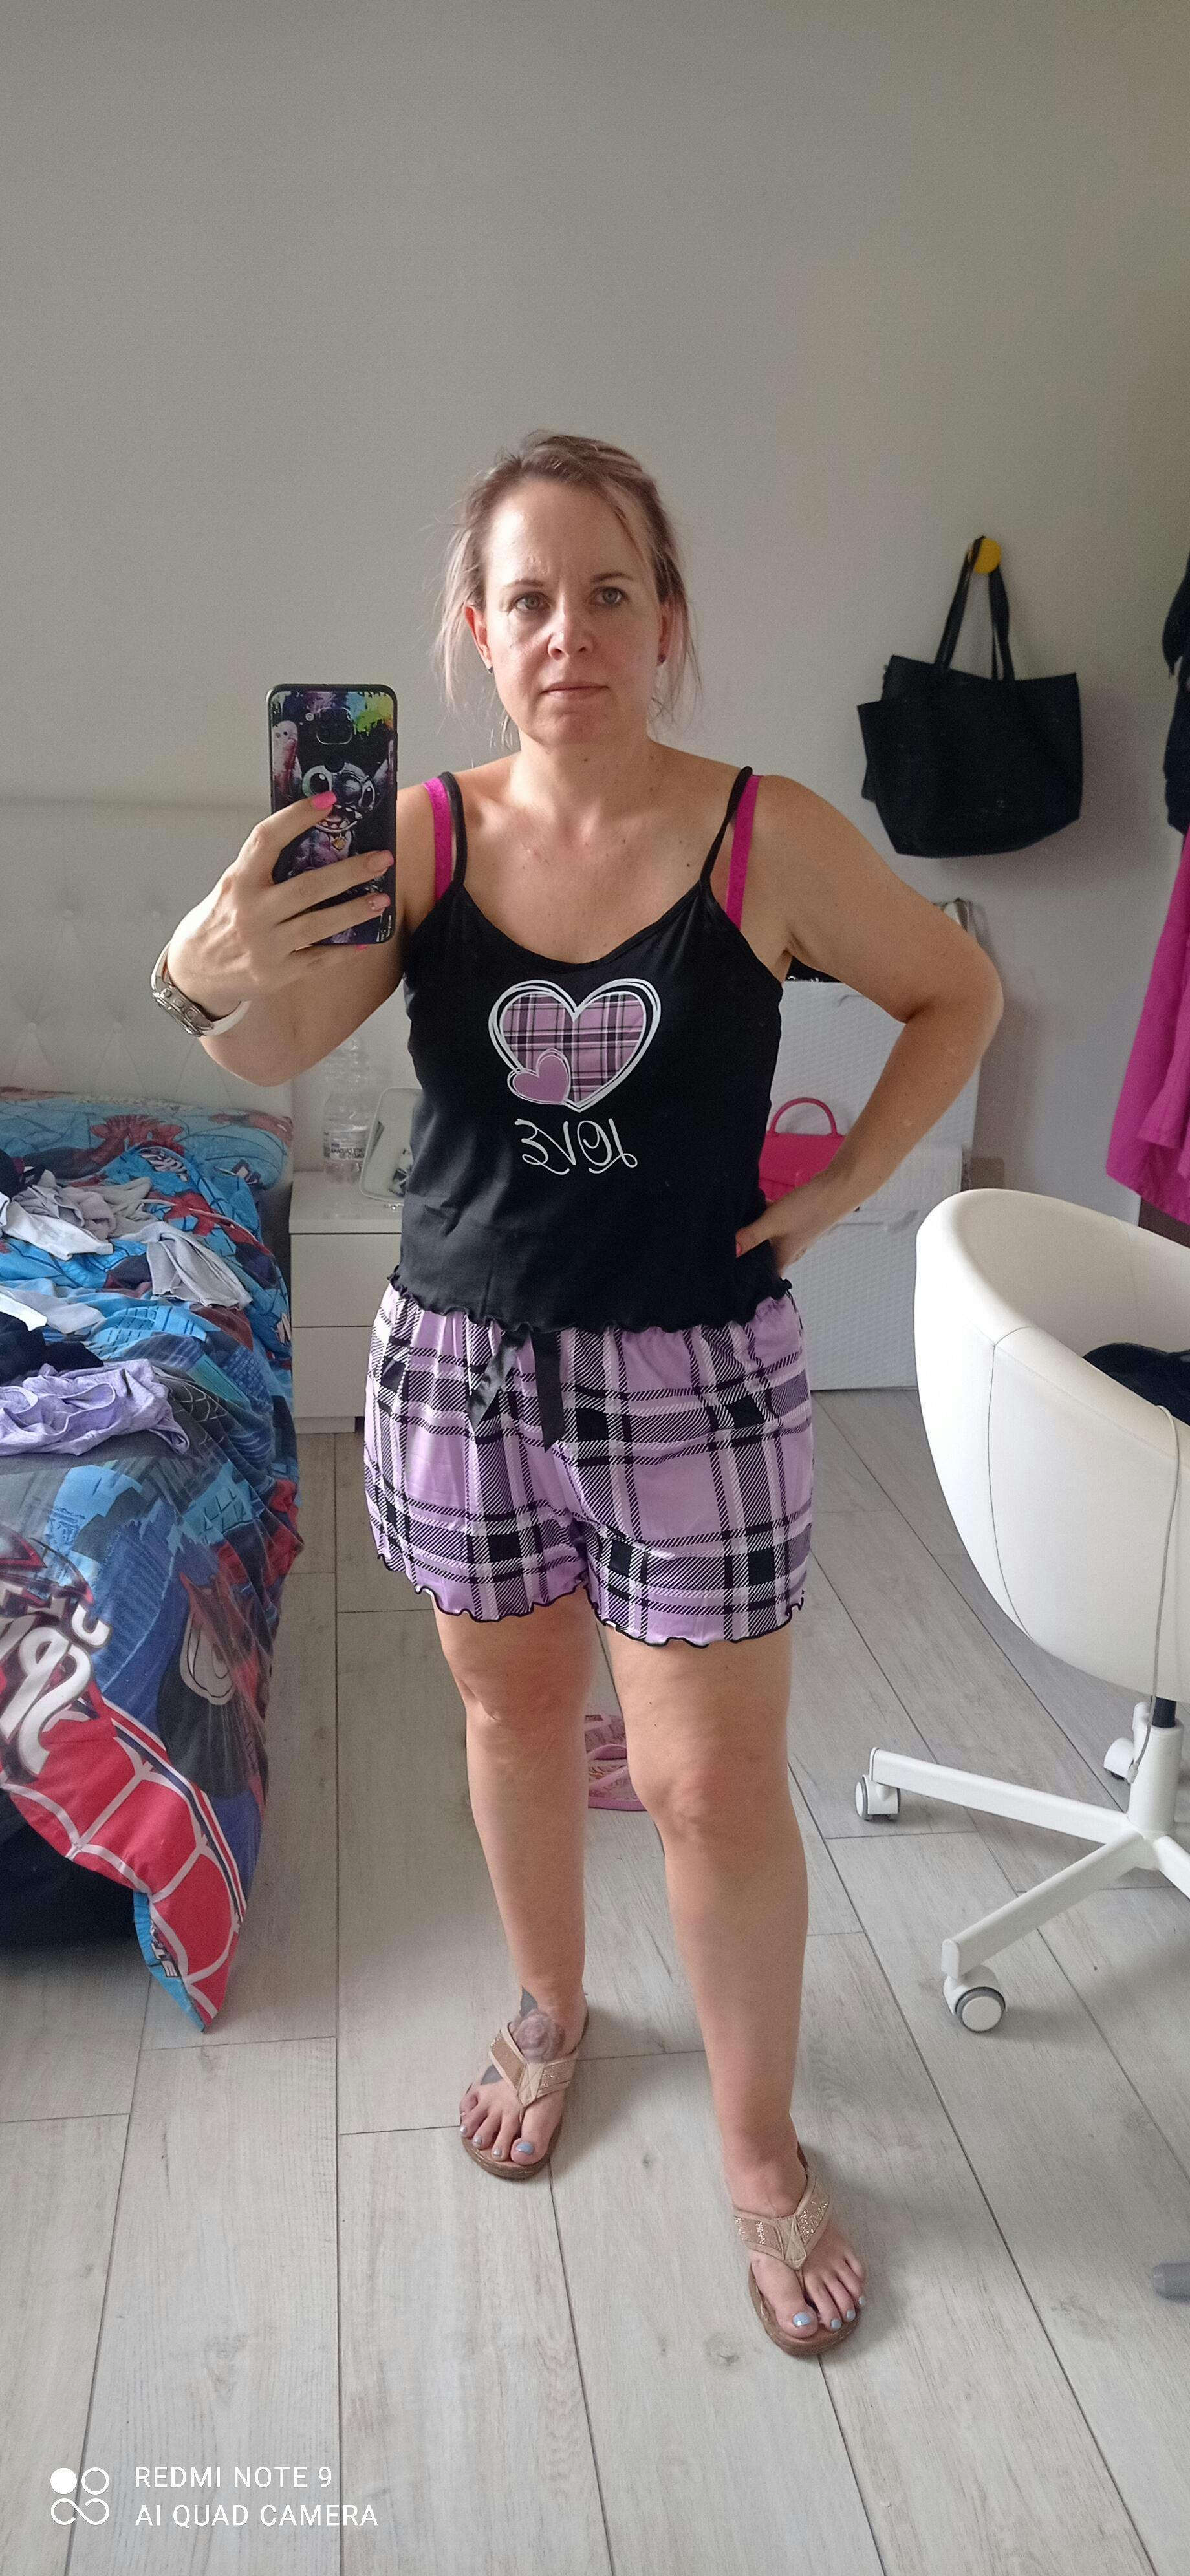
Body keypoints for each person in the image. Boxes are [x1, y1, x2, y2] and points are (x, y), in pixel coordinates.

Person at [164, 430, 1003, 2357]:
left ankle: (761, 2151)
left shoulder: (769, 836)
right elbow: (275, 1045)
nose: (572, 633)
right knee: (516, 1717)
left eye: (610, 592)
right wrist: (202, 970)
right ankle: (553, 2010)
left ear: (668, 619)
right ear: (477, 633)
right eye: (529, 599)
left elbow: (953, 990)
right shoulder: (421, 838)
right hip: (463, 1369)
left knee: (710, 1786)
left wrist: (844, 1188)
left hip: (700, 1376)